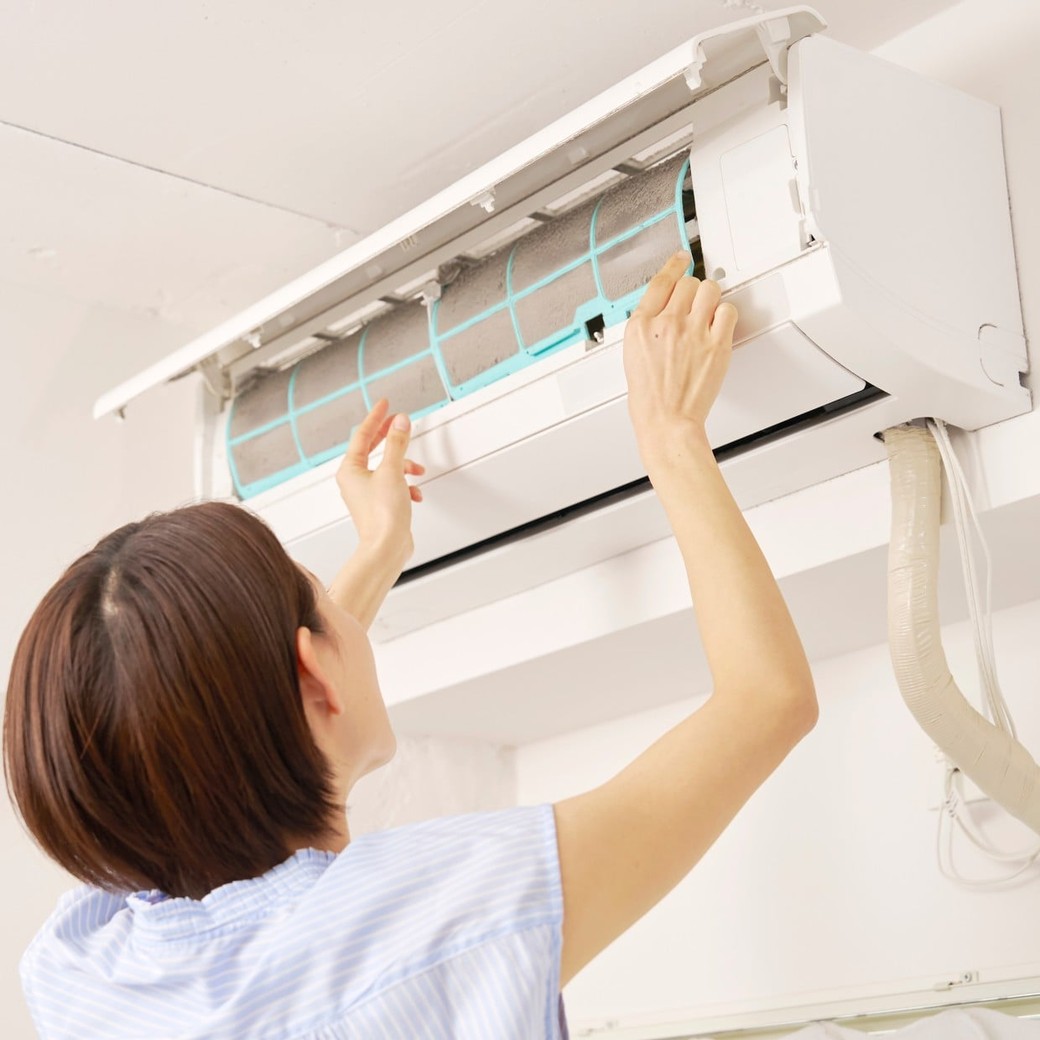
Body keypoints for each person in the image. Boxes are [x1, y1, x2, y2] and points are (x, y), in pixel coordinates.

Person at [4, 254, 817, 1039]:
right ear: (317, 676)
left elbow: (205, 728)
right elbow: (765, 700)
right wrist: (670, 433)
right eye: (324, 603)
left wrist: (379, 549)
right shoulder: (447, 913)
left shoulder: (83, 974)